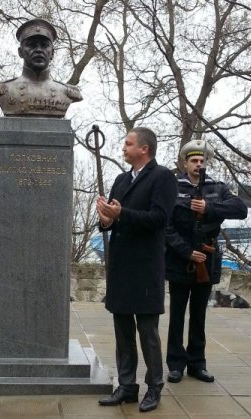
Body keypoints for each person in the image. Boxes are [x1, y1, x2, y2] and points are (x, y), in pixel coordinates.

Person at [96, 127, 177, 413]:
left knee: (147, 332)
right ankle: (127, 386)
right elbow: (114, 222)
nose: (123, 148)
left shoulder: (163, 177)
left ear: (144, 148)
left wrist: (122, 214)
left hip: (145, 267)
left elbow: (159, 219)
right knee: (122, 331)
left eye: (128, 144)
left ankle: (154, 386)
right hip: (121, 265)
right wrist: (106, 219)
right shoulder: (121, 179)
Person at [165, 139, 247, 384]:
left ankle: (197, 363)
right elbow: (166, 227)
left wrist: (209, 206)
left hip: (207, 257)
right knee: (177, 314)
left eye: (202, 161)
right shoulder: (172, 186)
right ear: (185, 162)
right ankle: (176, 364)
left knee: (199, 315)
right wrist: (187, 252)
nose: (198, 165)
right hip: (181, 259)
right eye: (194, 161)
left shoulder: (218, 188)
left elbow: (239, 209)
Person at [0, 18, 82, 117]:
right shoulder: (4, 90)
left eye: (44, 45)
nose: (39, 50)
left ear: (52, 53)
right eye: (31, 45)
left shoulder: (67, 93)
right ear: (20, 52)